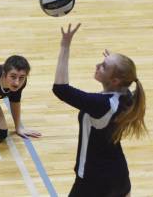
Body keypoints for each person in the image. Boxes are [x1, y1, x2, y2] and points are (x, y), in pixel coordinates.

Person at [52, 23, 147, 197]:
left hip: (93, 181)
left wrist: (65, 46)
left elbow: (60, 89)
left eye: (103, 66)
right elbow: (124, 77)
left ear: (116, 80)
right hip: (120, 178)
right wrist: (113, 65)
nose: (97, 65)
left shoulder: (100, 104)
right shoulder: (128, 97)